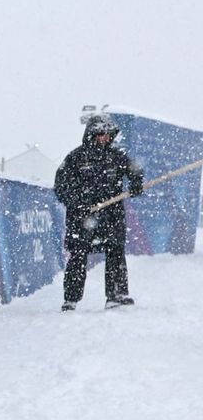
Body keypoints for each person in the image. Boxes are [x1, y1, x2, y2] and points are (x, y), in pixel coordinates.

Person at [54, 112, 143, 310]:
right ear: (91, 134)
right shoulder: (76, 157)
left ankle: (116, 295)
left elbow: (135, 170)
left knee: (115, 252)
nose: (104, 137)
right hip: (82, 218)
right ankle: (71, 300)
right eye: (100, 133)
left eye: (108, 134)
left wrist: (136, 183)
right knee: (78, 255)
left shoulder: (116, 157)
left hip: (111, 215)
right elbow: (61, 186)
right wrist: (78, 204)